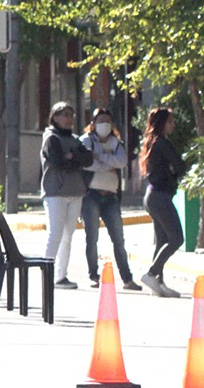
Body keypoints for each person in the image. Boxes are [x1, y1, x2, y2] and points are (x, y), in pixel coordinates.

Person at [80, 108, 141, 291]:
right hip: (91, 196)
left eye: (107, 120)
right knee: (92, 238)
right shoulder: (86, 140)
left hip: (111, 198)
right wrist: (107, 163)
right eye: (100, 120)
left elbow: (122, 161)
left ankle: (127, 279)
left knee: (118, 240)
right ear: (93, 123)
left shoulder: (116, 142)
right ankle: (93, 275)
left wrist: (101, 157)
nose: (104, 124)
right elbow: (87, 162)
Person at [41, 102, 93, 290]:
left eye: (71, 115)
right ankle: (46, 272)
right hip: (55, 193)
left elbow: (88, 159)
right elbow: (58, 162)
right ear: (55, 117)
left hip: (75, 192)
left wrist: (73, 157)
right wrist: (72, 159)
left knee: (68, 235)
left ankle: (61, 276)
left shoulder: (74, 139)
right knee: (55, 233)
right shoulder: (50, 138)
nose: (69, 118)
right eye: (65, 114)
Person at [138, 107, 185, 297]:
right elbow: (180, 165)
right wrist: (175, 171)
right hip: (160, 196)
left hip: (152, 195)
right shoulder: (163, 143)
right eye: (170, 121)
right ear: (162, 123)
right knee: (176, 238)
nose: (173, 125)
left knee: (162, 240)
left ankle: (158, 282)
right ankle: (151, 273)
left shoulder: (151, 142)